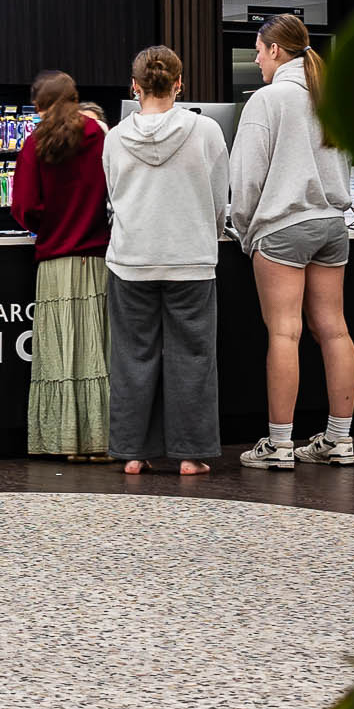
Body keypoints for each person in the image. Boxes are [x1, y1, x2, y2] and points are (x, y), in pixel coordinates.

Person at [232, 13, 354, 470]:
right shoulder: (330, 97)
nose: (257, 59)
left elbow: (245, 179)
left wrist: (246, 230)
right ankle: (338, 440)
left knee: (285, 332)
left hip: (282, 226)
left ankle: (279, 445)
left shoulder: (268, 100)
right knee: (336, 329)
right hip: (332, 224)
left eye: (260, 50)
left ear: (276, 51)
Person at [101, 45, 230, 477]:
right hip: (191, 259)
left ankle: (133, 452)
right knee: (192, 356)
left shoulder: (114, 137)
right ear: (180, 83)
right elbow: (218, 196)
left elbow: (114, 196)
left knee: (132, 355)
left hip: (130, 259)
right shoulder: (207, 130)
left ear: (134, 86)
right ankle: (191, 455)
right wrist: (208, 234)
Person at [11, 70, 111, 461]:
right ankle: (103, 441)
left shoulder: (34, 144)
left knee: (61, 354)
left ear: (38, 106)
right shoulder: (100, 136)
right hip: (100, 259)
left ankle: (64, 441)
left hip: (55, 261)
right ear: (74, 97)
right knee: (99, 352)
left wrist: (49, 225)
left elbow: (24, 207)